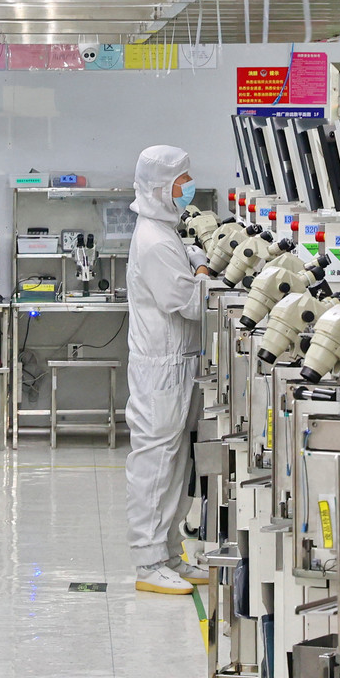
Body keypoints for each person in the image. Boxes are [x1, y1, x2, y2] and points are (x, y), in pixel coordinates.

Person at [125, 145, 213, 595]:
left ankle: (171, 552)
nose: (188, 186)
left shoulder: (165, 230)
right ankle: (148, 561)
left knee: (175, 463)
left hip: (176, 362)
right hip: (160, 367)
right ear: (162, 186)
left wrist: (197, 265)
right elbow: (186, 301)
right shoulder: (156, 240)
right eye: (183, 179)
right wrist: (204, 271)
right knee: (156, 462)